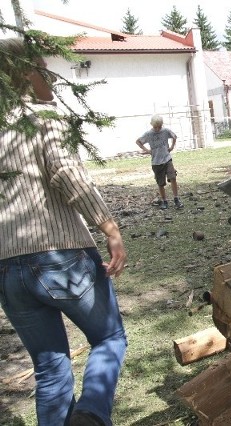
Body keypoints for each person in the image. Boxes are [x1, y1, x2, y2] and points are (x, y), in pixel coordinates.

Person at [0, 38, 127, 426]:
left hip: (5, 269)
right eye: (42, 67)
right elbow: (65, 171)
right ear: (27, 73)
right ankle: (89, 415)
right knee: (109, 339)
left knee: (50, 366)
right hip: (59, 254)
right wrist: (109, 226)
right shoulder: (41, 118)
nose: (49, 75)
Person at [135, 115, 185, 209]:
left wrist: (171, 147)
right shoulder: (148, 134)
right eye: (155, 127)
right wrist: (148, 150)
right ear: (152, 125)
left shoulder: (165, 131)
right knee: (161, 183)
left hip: (167, 159)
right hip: (156, 162)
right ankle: (164, 201)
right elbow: (138, 141)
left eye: (160, 126)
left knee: (173, 177)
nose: (158, 129)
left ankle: (176, 199)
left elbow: (174, 136)